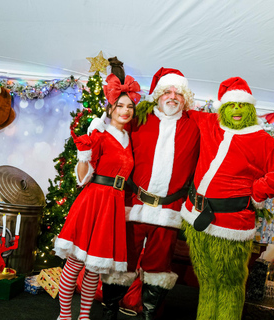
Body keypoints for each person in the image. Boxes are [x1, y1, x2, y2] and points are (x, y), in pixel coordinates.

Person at [181, 77, 274, 319]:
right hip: (195, 218)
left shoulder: (260, 139)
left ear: (250, 109)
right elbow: (178, 110)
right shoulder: (209, 122)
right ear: (223, 108)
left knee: (229, 284)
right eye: (231, 105)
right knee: (207, 281)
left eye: (241, 105)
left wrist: (258, 190)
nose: (236, 110)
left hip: (231, 224)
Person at [97, 68, 200, 320]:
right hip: (134, 206)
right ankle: (109, 312)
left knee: (158, 268)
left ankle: (148, 315)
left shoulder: (196, 126)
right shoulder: (139, 119)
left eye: (178, 92)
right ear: (158, 95)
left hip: (168, 212)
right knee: (121, 264)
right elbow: (114, 137)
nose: (172, 96)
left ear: (185, 98)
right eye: (167, 91)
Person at [53, 58, 141, 320]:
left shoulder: (128, 138)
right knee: (75, 263)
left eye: (129, 107)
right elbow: (83, 178)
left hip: (113, 204)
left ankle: (84, 317)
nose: (125, 111)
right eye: (120, 106)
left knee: (94, 269)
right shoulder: (99, 133)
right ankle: (65, 315)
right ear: (111, 107)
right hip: (94, 201)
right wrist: (83, 154)